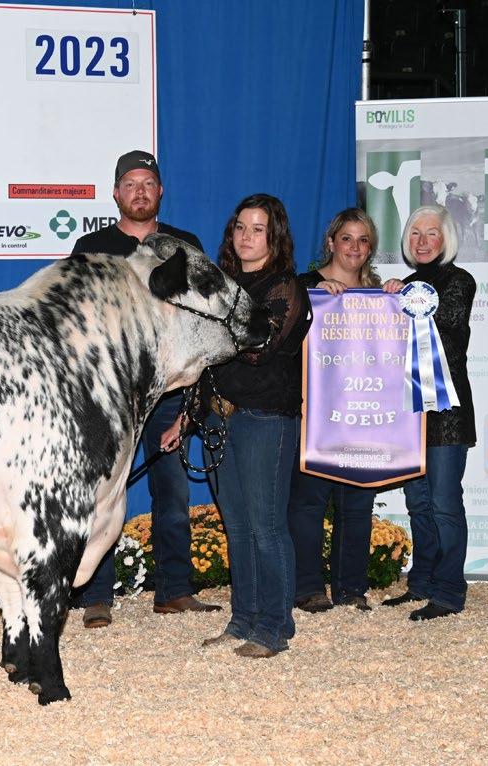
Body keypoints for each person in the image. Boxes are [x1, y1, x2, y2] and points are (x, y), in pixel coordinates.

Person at [70, 149, 222, 629]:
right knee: (101, 493)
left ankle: (174, 590)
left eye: (148, 184)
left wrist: (193, 396)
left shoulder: (184, 245)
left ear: (160, 192)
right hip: (111, 392)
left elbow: (203, 318)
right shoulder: (92, 246)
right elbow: (77, 319)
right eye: (131, 184)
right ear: (116, 193)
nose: (140, 192)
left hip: (169, 390)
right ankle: (96, 596)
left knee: (172, 492)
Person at [200, 194, 312, 658]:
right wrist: (190, 414)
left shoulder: (284, 287)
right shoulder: (223, 284)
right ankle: (242, 618)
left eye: (258, 229)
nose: (246, 237)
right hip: (219, 415)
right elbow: (204, 362)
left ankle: (274, 627)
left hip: (266, 417)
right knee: (238, 527)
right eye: (240, 227)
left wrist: (210, 332)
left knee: (266, 526)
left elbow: (258, 349)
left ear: (274, 236)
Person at [381, 204, 475, 621]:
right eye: (415, 233)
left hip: (447, 413)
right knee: (418, 502)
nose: (422, 241)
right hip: (411, 412)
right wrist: (387, 300)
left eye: (431, 232)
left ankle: (449, 591)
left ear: (446, 238)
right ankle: (421, 582)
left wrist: (403, 299)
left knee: (444, 504)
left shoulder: (459, 282)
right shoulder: (405, 286)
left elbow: (450, 334)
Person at [290, 208, 382, 613]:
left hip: (364, 411)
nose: (354, 247)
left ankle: (351, 589)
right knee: (308, 502)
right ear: (331, 242)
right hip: (316, 414)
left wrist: (398, 299)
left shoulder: (381, 294)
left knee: (357, 503)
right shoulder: (304, 286)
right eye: (347, 238)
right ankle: (308, 588)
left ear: (370, 248)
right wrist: (313, 299)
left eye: (363, 240)